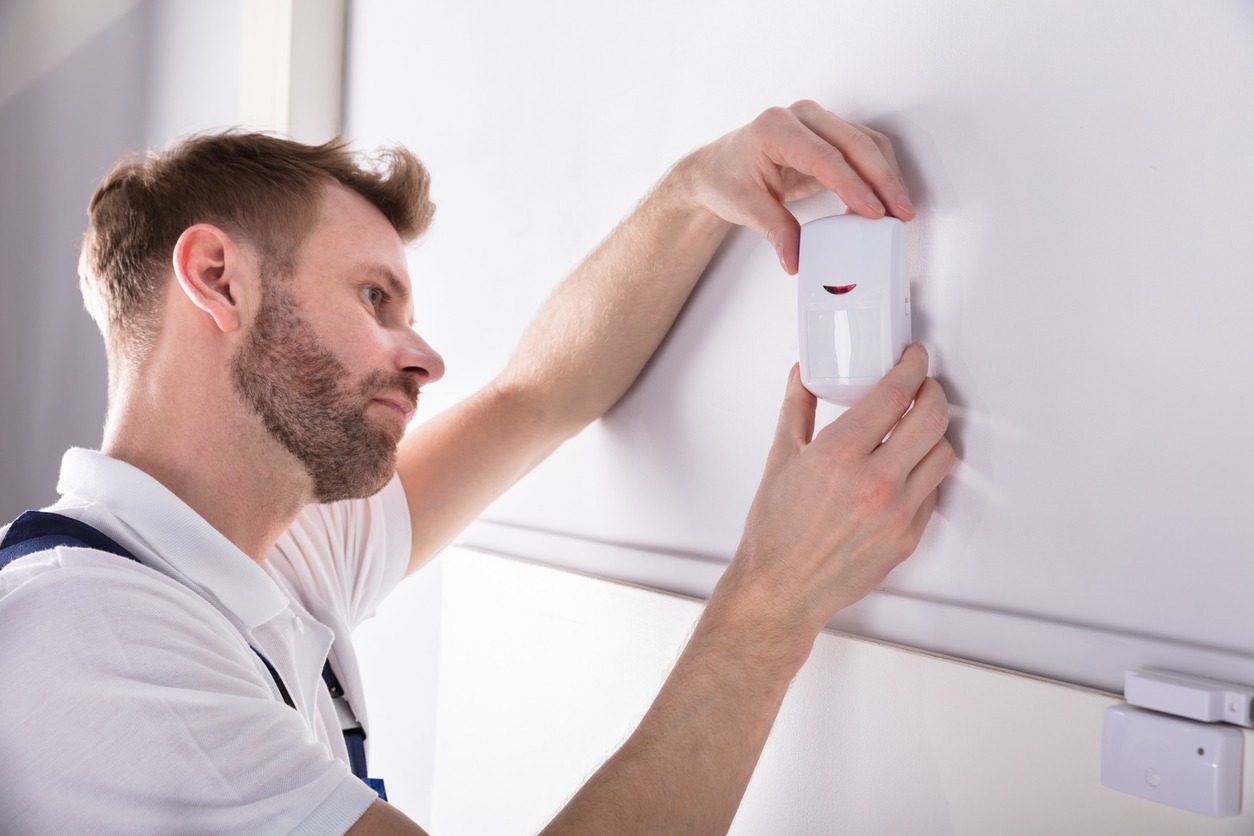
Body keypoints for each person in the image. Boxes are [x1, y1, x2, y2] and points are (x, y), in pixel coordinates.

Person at [0, 100, 954, 834]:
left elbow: (535, 397)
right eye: (375, 296)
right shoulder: (87, 636)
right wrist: (771, 605)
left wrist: (696, 191)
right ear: (216, 278)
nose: (425, 357)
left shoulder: (269, 550)